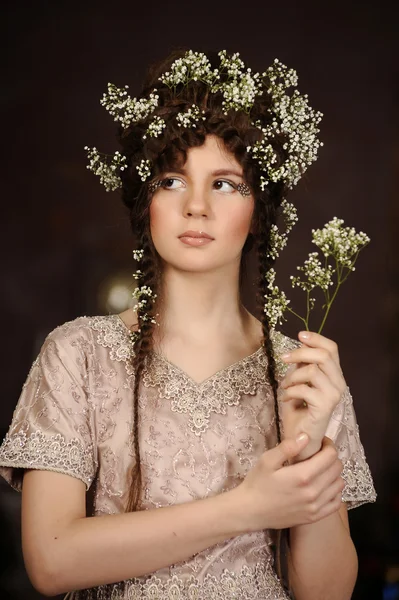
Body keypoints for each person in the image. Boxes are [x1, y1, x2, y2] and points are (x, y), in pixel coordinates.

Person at [0, 49, 376, 600]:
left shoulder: (304, 375)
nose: (196, 205)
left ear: (258, 212)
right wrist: (245, 508)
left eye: (225, 183)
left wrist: (308, 443)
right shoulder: (77, 354)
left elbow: (326, 594)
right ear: (145, 200)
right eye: (173, 180)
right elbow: (51, 559)